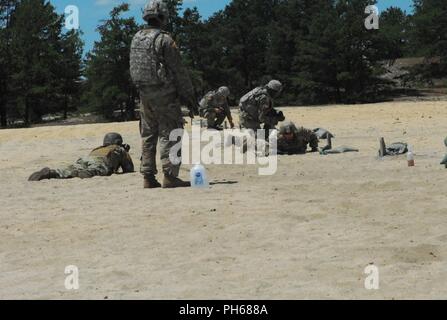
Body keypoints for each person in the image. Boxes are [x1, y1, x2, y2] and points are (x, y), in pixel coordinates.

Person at [130, 0, 199, 189]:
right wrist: (189, 96)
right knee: (172, 132)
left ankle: (147, 176)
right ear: (162, 16)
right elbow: (179, 71)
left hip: (144, 94)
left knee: (148, 134)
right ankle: (170, 175)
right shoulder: (165, 40)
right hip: (164, 94)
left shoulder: (136, 37)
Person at [28, 133, 134, 181]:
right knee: (97, 169)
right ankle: (89, 173)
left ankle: (51, 173)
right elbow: (129, 169)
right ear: (118, 142)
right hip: (100, 161)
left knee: (69, 169)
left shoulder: (97, 148)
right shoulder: (118, 149)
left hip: (85, 159)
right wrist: (125, 152)